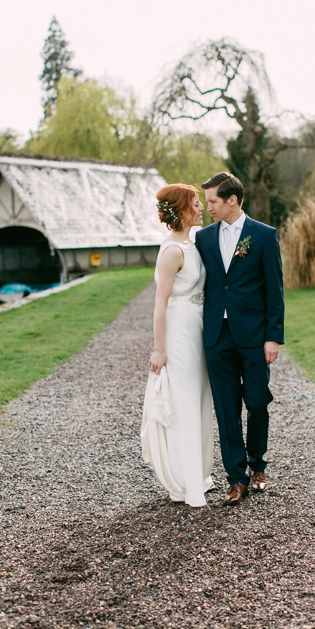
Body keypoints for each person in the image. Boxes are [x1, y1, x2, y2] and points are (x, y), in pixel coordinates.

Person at [196, 172, 285, 505]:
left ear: (232, 200)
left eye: (213, 202)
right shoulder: (203, 238)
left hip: (253, 335)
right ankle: (236, 478)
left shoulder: (263, 235)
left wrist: (272, 337)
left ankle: (258, 464)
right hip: (217, 336)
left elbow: (274, 290)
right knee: (225, 407)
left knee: (258, 401)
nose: (209, 209)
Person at [141, 183, 215, 507]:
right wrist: (160, 349)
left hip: (197, 326)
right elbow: (160, 303)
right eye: (196, 204)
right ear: (183, 209)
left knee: (199, 398)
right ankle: (185, 481)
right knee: (184, 401)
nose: (201, 208)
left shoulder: (194, 241)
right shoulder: (172, 251)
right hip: (180, 331)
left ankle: (199, 474)